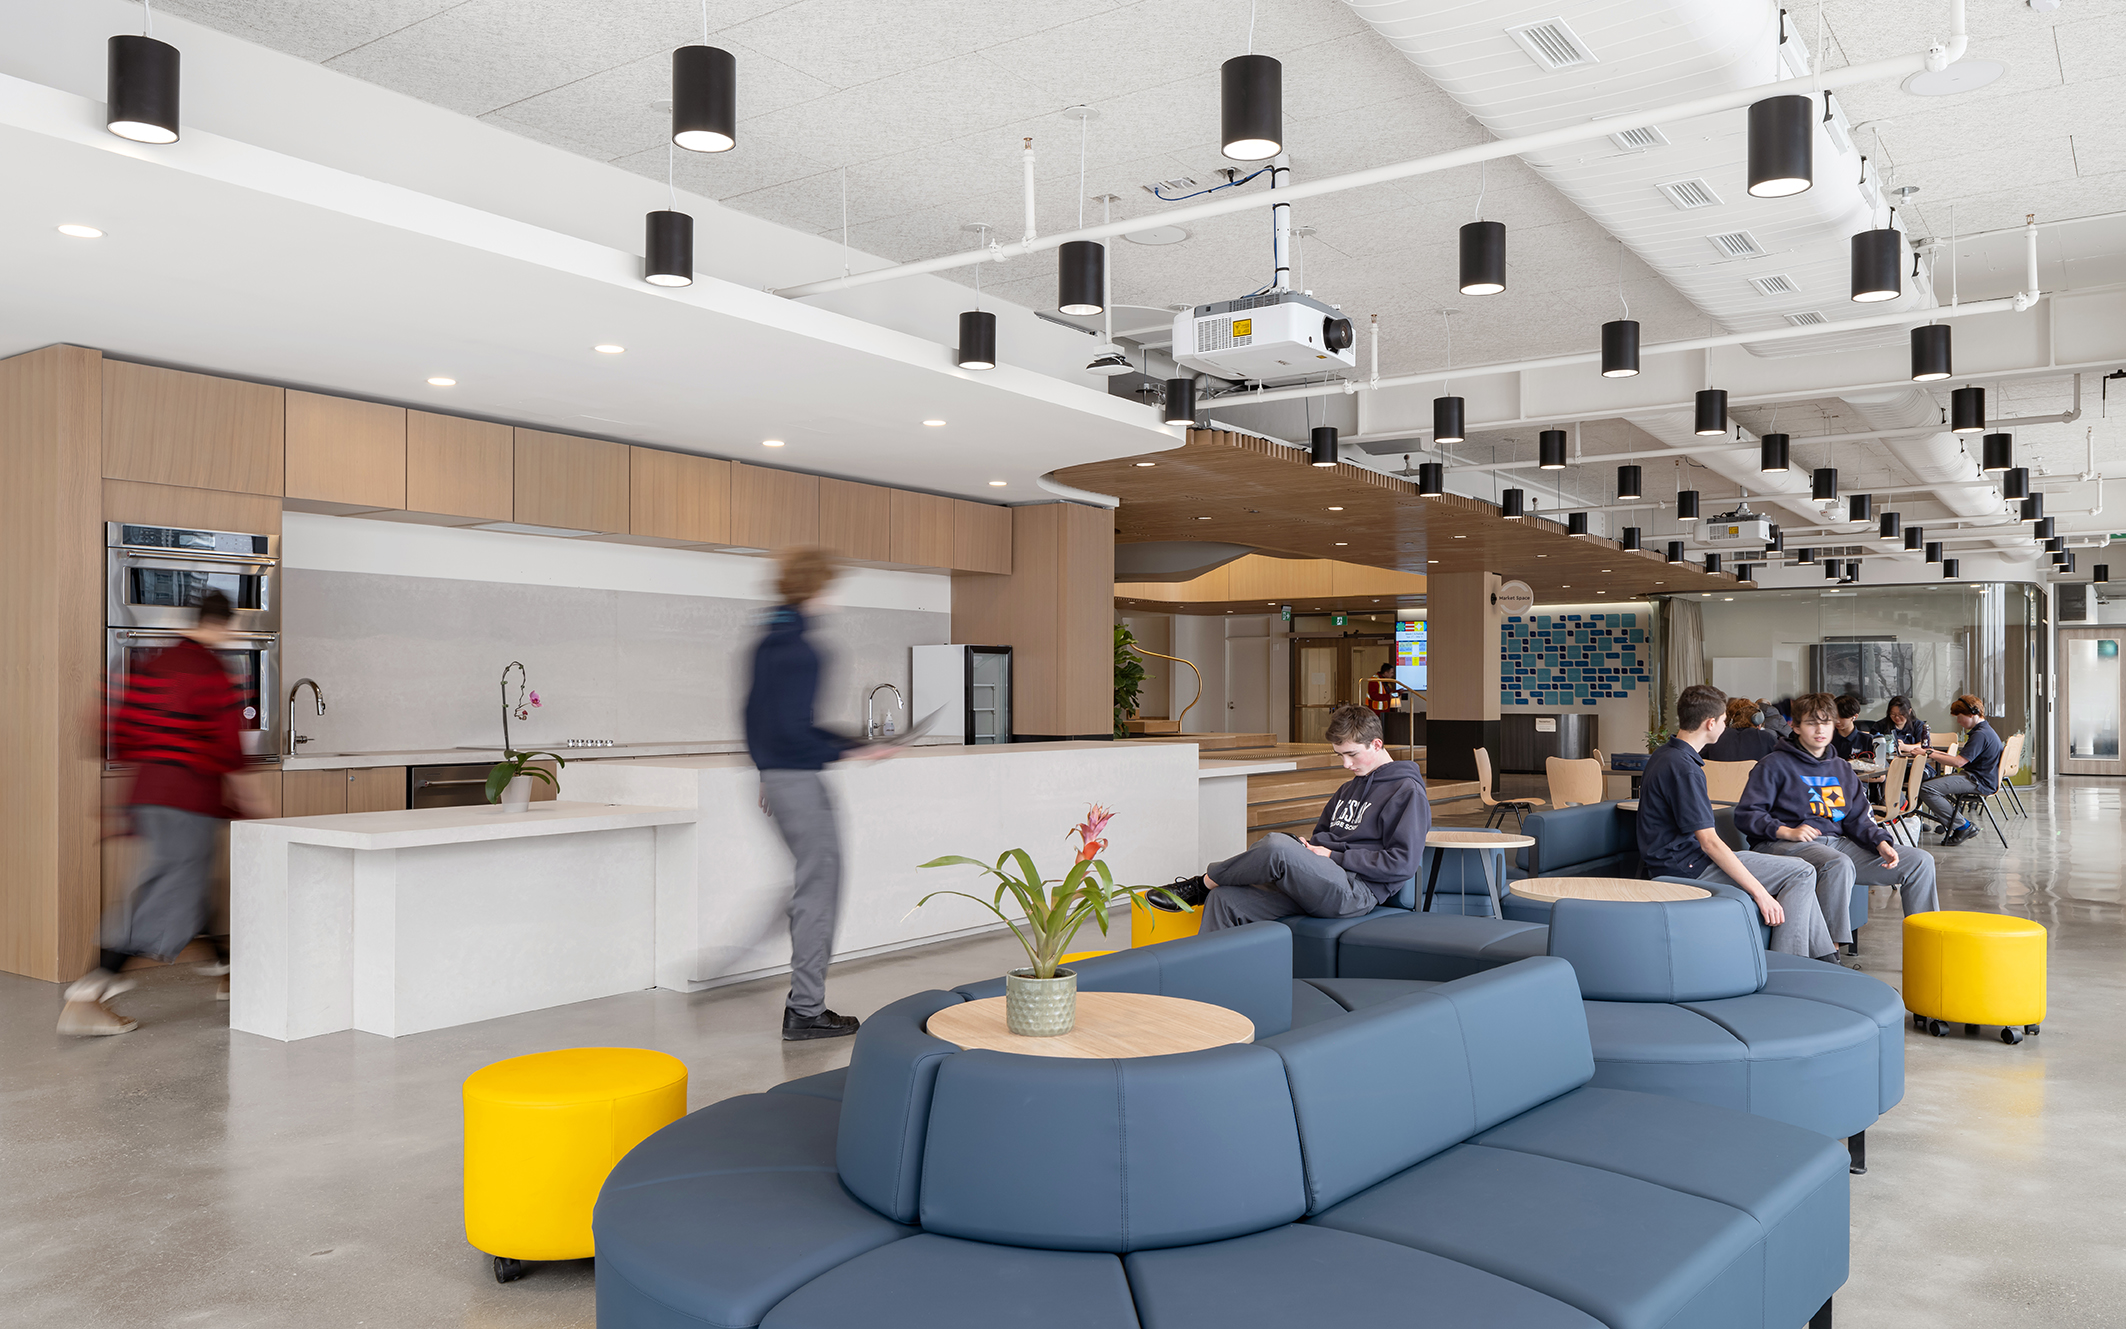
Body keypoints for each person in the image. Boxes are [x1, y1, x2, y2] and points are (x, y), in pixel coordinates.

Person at [61, 589, 258, 1036]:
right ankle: (89, 994)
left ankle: (228, 973)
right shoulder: (211, 670)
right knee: (166, 891)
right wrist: (254, 800)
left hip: (149, 793)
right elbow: (229, 746)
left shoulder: (157, 663)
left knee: (188, 883)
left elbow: (112, 725)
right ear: (226, 625)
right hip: (188, 797)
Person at [744, 547, 893, 1041]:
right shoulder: (803, 649)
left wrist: (770, 767)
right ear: (817, 587)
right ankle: (805, 1009)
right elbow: (793, 727)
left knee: (811, 887)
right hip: (800, 780)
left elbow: (758, 717)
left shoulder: (769, 637)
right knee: (818, 894)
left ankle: (798, 997)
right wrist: (854, 750)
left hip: (783, 776)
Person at [1154, 704, 1428, 932]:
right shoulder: (1349, 788)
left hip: (1356, 891)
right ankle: (1207, 988)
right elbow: (1323, 837)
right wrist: (1307, 849)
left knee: (1276, 846)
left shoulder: (1406, 790)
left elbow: (1401, 863)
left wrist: (1333, 857)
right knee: (1224, 899)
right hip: (1322, 880)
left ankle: (1201, 884)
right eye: (1340, 755)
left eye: (1351, 754)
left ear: (1376, 744)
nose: (1346, 764)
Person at [1637, 684, 1838, 960]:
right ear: (1710, 723)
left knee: (1801, 869)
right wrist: (1761, 893)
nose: (1724, 726)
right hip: (1686, 869)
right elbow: (1709, 842)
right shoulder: (1683, 768)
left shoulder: (1666, 755)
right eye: (1722, 721)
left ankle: (1828, 961)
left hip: (1681, 860)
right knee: (1801, 873)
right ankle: (1788, 964)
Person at [1735, 692, 1939, 953]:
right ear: (1795, 726)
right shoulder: (1772, 765)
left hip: (1837, 844)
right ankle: (1828, 953)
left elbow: (1856, 818)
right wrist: (1786, 830)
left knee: (1920, 861)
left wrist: (1880, 842)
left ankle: (1928, 950)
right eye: (1811, 723)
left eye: (1826, 722)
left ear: (1835, 725)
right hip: (1783, 845)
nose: (1820, 729)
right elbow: (1746, 815)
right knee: (1836, 862)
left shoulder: (1841, 769)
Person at [1915, 695, 2004, 846]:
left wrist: (1929, 753)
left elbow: (1959, 762)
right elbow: (1959, 758)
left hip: (1977, 781)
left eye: (1959, 717)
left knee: (1926, 788)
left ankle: (1963, 826)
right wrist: (1932, 752)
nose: (1958, 721)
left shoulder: (1980, 735)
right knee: (1928, 784)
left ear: (1972, 714)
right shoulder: (1985, 730)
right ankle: (1954, 824)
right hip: (1979, 778)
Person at [1702, 697, 1780, 763]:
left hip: (1717, 780)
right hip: (1753, 780)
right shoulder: (1767, 738)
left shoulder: (1716, 737)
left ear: (1731, 721)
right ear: (1759, 722)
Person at [1829, 693, 1874, 762]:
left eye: (1842, 717)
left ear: (1854, 717)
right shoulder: (1828, 738)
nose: (1837, 721)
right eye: (1834, 716)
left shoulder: (1867, 740)